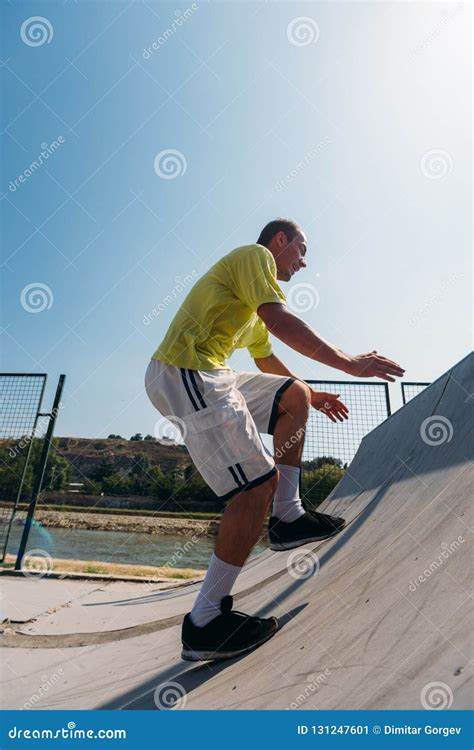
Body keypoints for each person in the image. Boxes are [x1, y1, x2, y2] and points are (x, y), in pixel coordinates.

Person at [144, 218, 405, 662]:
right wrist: (347, 363)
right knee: (254, 486)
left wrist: (314, 394)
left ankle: (288, 516)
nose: (303, 262)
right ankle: (205, 621)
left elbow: (268, 359)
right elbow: (280, 318)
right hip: (185, 370)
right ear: (279, 241)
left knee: (293, 395)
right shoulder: (255, 257)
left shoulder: (245, 305)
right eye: (301, 250)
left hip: (211, 374)